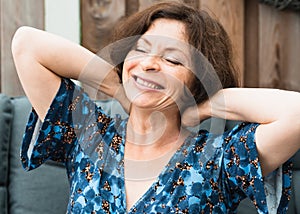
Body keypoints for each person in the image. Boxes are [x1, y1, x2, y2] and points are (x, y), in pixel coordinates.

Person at [11, 2, 300, 213]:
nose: (149, 64)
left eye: (173, 60)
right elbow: (27, 44)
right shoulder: (90, 134)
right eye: (141, 49)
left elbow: (296, 113)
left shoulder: (219, 159)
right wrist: (118, 89)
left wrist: (206, 104)